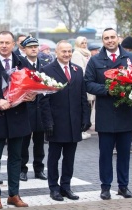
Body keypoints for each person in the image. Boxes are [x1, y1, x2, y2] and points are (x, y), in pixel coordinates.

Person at [0, 31, 35, 209]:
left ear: (14, 45)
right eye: (1, 42)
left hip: (18, 117)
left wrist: (32, 95)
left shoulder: (22, 63)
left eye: (7, 42)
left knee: (16, 158)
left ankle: (13, 194)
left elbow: (32, 85)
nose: (4, 45)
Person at [85, 28, 132, 200]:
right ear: (102, 41)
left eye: (112, 37)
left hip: (126, 114)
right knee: (105, 155)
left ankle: (123, 186)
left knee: (124, 154)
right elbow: (88, 84)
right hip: (106, 115)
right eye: (106, 38)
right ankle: (105, 187)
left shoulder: (131, 58)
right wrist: (108, 90)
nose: (110, 40)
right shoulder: (95, 61)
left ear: (118, 38)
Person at [41, 40, 90, 201]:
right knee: (54, 158)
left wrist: (85, 118)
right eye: (64, 51)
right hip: (55, 123)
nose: (67, 54)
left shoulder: (77, 70)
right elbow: (44, 100)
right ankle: (54, 188)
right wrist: (47, 122)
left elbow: (83, 97)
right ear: (57, 52)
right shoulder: (47, 70)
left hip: (73, 123)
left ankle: (66, 187)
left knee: (70, 158)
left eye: (69, 51)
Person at [17, 36, 47, 182]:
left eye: (36, 46)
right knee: (24, 142)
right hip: (26, 109)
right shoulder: (20, 65)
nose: (34, 49)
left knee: (40, 142)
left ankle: (39, 169)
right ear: (24, 49)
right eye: (30, 47)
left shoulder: (45, 65)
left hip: (41, 109)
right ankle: (22, 169)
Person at [71, 36, 92, 140]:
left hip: (88, 82)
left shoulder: (87, 53)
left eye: (85, 42)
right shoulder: (76, 54)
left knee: (89, 107)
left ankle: (85, 128)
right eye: (82, 42)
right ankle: (81, 129)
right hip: (82, 83)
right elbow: (79, 69)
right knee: (84, 106)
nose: (84, 44)